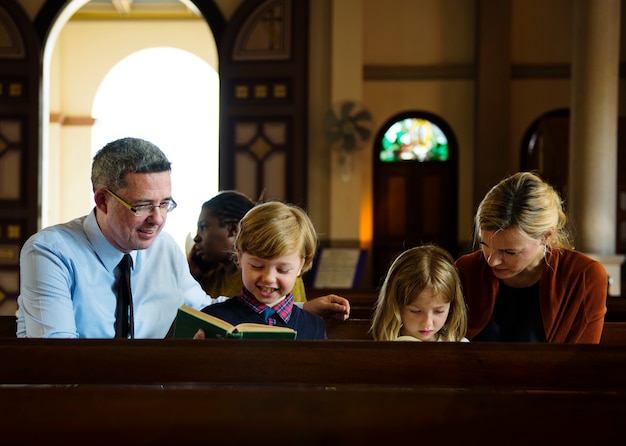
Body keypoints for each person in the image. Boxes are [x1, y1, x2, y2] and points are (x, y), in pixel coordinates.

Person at [16, 137, 349, 339]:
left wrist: (301, 308)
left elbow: (206, 309)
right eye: (143, 206)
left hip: (154, 408)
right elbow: (55, 356)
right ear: (102, 200)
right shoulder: (51, 252)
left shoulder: (163, 248)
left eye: (165, 204)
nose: (158, 219)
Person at [455, 171, 608, 343]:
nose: (492, 261)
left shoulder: (584, 276)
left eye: (509, 252)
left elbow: (581, 362)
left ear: (545, 237)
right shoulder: (467, 269)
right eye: (485, 245)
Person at [199, 201, 326, 340]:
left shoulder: (315, 327)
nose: (268, 278)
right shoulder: (212, 319)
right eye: (257, 266)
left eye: (282, 270)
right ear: (240, 256)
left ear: (302, 265)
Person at [188, 190, 307, 302]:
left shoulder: (278, 276)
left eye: (204, 227)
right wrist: (192, 277)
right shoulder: (210, 276)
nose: (196, 237)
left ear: (233, 229)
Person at [370, 245, 468, 342]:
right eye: (416, 311)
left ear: (451, 307)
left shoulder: (460, 346)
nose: (427, 323)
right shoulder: (384, 347)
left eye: (439, 311)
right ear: (396, 305)